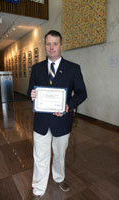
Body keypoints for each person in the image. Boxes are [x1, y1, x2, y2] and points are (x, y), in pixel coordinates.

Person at [27, 30, 87, 200]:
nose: (51, 47)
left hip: (62, 121)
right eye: (48, 43)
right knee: (40, 156)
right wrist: (32, 95)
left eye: (55, 43)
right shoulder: (37, 68)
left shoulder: (73, 69)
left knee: (60, 154)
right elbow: (30, 91)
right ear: (44, 46)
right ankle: (38, 189)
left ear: (61, 46)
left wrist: (68, 106)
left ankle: (59, 177)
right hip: (41, 121)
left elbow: (82, 93)